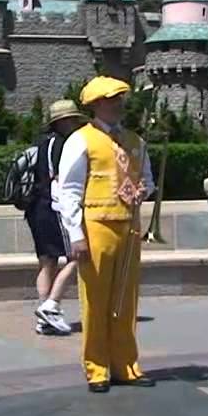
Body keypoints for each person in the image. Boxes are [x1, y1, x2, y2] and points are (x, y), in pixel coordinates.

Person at [56, 76, 156, 393]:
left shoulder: (135, 141)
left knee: (126, 300)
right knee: (95, 301)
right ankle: (97, 368)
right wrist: (76, 234)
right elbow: (69, 191)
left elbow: (148, 178)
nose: (117, 105)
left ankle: (126, 365)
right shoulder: (81, 140)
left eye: (119, 99)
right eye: (111, 100)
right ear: (96, 104)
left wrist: (144, 190)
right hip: (96, 225)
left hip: (129, 226)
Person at [27, 100, 85, 335]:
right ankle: (52, 305)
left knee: (47, 262)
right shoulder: (66, 144)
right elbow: (64, 180)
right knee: (78, 256)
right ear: (65, 121)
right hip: (55, 207)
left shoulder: (40, 143)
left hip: (35, 208)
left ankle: (44, 315)